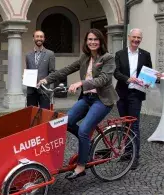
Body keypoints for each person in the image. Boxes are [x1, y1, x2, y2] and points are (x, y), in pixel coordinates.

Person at [38, 29, 118, 180]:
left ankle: (81, 166)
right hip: (87, 98)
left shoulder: (108, 58)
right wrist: (47, 79)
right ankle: (86, 140)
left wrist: (81, 82)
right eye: (90, 39)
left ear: (100, 41)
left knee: (83, 132)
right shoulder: (85, 58)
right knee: (66, 123)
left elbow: (103, 80)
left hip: (102, 100)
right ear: (86, 42)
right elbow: (67, 70)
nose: (92, 42)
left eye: (95, 39)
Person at [114, 28, 162, 170]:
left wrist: (155, 76)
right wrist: (128, 79)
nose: (136, 40)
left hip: (137, 94)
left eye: (138, 38)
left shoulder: (145, 55)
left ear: (141, 39)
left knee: (134, 125)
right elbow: (116, 72)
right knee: (124, 124)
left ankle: (135, 156)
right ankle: (127, 153)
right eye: (134, 37)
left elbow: (150, 73)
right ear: (129, 37)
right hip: (122, 93)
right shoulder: (120, 54)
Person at [25, 30, 55, 109]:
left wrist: (50, 89)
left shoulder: (50, 54)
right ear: (33, 38)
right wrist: (25, 76)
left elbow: (52, 72)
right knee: (31, 115)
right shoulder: (28, 55)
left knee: (45, 115)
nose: (39, 38)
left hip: (44, 91)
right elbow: (28, 70)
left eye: (41, 37)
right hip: (31, 91)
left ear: (44, 39)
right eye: (37, 36)